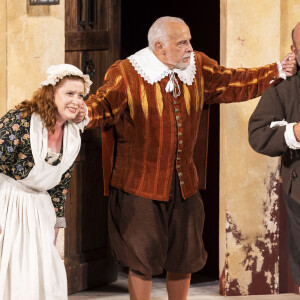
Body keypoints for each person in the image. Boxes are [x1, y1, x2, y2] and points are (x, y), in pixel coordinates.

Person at [76, 16, 296, 300]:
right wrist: (84, 111)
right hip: (139, 186)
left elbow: (232, 82)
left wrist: (276, 70)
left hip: (184, 183)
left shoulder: (198, 67)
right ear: (159, 47)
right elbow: (104, 105)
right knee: (141, 261)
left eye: (189, 40)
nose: (190, 48)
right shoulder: (127, 73)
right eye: (182, 43)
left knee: (185, 256)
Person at [0, 64, 91, 300]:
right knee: (9, 271)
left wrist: (55, 225)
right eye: (69, 93)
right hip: (8, 200)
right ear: (51, 94)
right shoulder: (21, 121)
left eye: (80, 95)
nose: (76, 100)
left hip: (40, 207)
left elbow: (61, 186)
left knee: (43, 274)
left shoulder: (72, 136)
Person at [248, 22, 300, 286]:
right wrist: (295, 132)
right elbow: (258, 133)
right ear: (294, 50)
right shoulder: (284, 84)